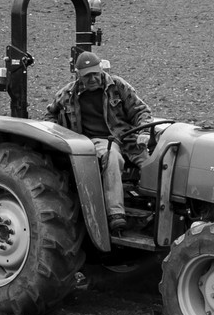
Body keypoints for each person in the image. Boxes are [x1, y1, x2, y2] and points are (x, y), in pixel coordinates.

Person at [43, 50, 153, 231]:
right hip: (98, 141)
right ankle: (116, 214)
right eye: (87, 76)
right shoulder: (67, 94)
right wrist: (61, 137)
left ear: (101, 70)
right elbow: (50, 115)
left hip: (127, 138)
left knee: (153, 164)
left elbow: (141, 110)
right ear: (79, 75)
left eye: (95, 74)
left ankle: (155, 209)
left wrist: (145, 131)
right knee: (112, 157)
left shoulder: (117, 86)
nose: (92, 79)